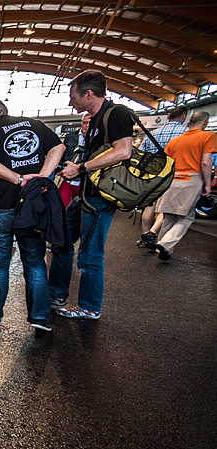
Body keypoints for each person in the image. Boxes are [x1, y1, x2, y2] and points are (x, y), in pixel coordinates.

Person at [0, 94, 65, 332]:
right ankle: (40, 317)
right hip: (31, 207)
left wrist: (19, 179)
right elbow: (58, 147)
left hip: (0, 207)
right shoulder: (34, 124)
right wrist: (42, 177)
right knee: (35, 262)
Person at [50, 70, 135, 320]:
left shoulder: (116, 113)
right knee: (62, 240)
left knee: (90, 255)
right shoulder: (95, 119)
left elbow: (124, 151)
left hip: (101, 197)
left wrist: (81, 168)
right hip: (86, 194)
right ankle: (56, 294)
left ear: (89, 94)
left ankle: (89, 307)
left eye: (73, 96)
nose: (71, 102)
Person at [149, 111, 215, 260]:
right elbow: (206, 162)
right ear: (205, 122)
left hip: (173, 179)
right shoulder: (208, 136)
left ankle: (164, 251)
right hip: (192, 179)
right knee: (186, 217)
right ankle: (165, 244)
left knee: (168, 217)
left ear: (189, 122)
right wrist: (207, 185)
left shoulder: (175, 141)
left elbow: (167, 163)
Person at [136, 106, 188, 249]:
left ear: (168, 117)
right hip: (174, 175)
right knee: (164, 208)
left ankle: (145, 236)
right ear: (183, 116)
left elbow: (141, 154)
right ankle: (153, 234)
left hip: (152, 174)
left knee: (150, 205)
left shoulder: (153, 133)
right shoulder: (186, 133)